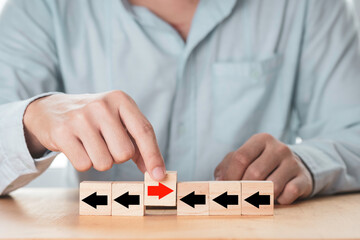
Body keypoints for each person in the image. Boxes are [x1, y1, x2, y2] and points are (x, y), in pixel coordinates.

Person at [0, 0, 360, 204]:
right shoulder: (41, 9)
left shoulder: (312, 7)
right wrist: (32, 122)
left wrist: (307, 164)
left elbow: (353, 133)